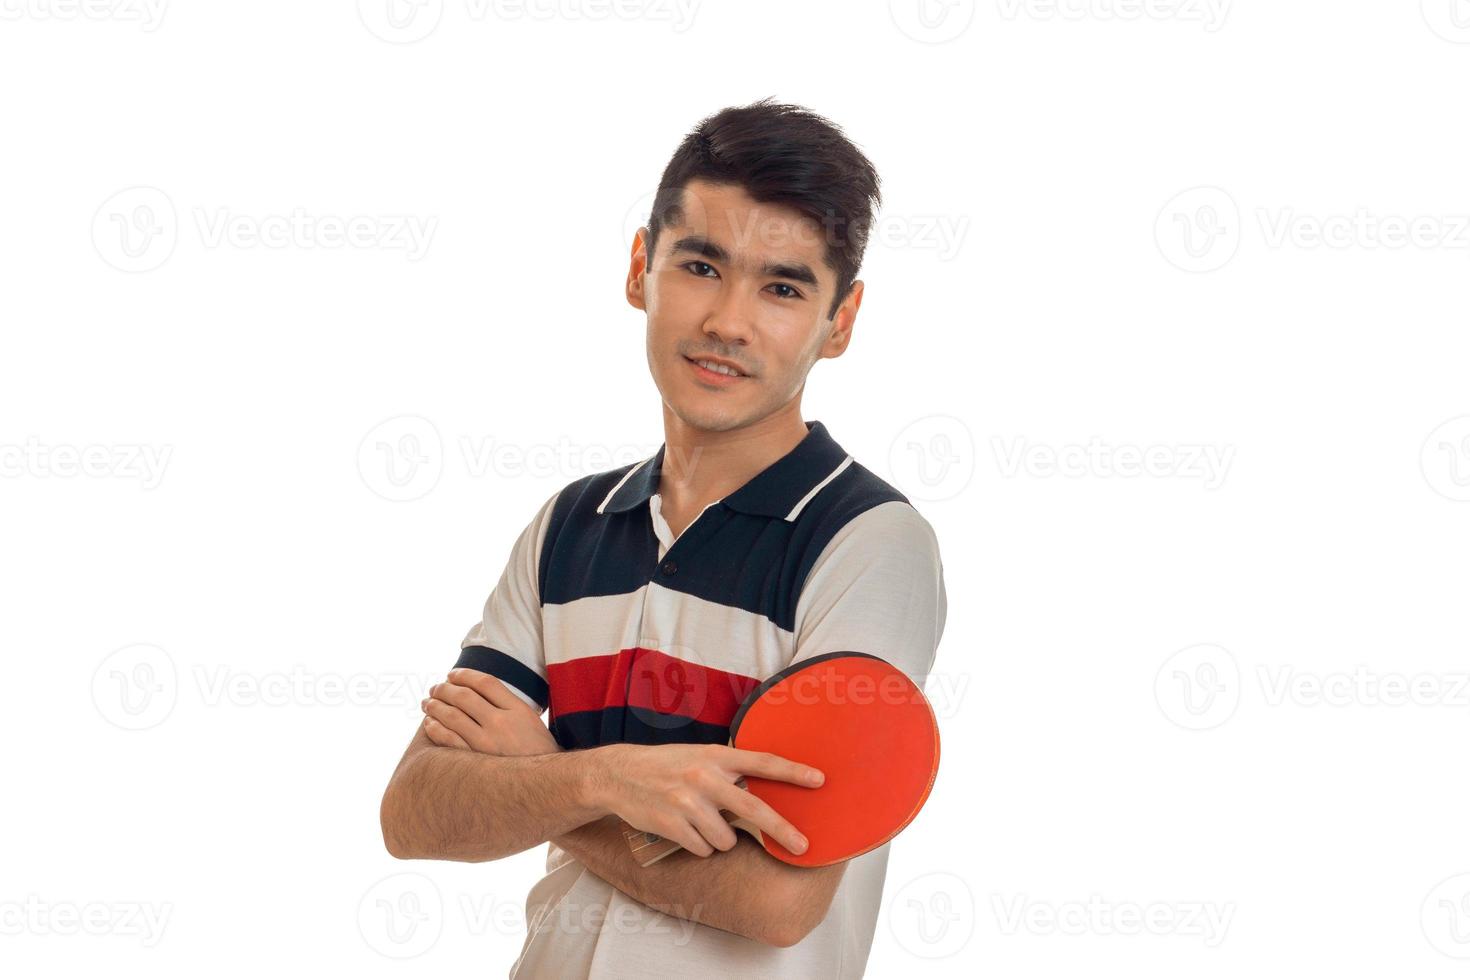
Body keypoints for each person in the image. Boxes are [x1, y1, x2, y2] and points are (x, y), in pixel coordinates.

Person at [379, 98, 947, 978]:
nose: (727, 321)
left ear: (841, 321)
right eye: (701, 265)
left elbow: (778, 899)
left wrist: (546, 778)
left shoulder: (869, 543)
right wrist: (602, 780)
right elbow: (414, 813)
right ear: (642, 268)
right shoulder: (569, 527)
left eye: (783, 287)